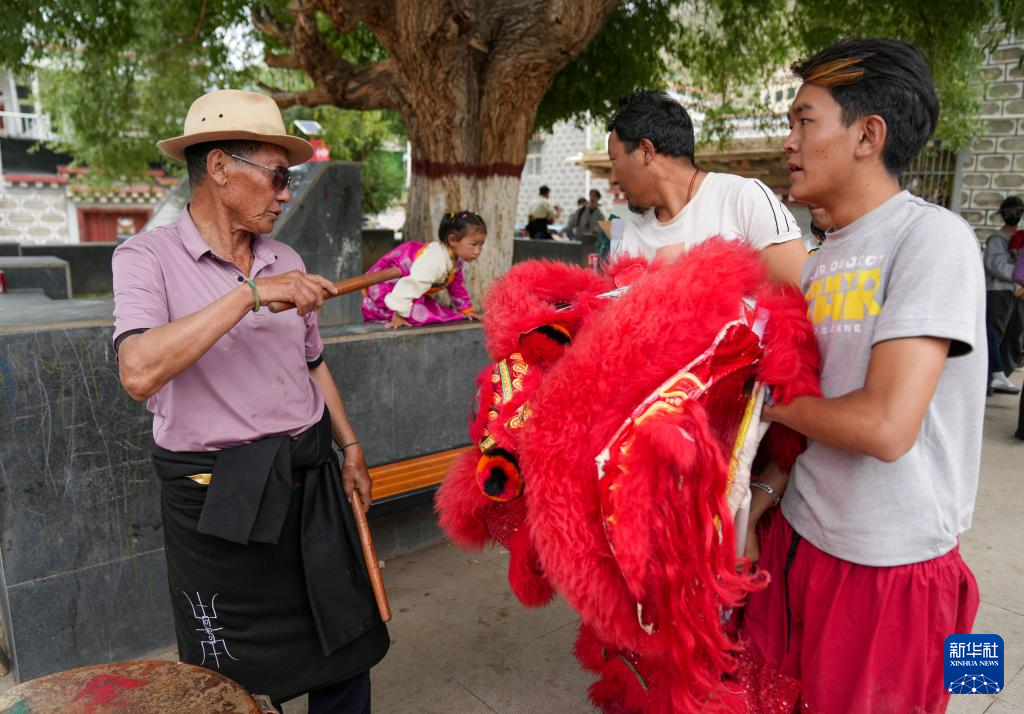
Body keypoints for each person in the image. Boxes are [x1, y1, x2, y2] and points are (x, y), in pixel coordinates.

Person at [112, 89, 389, 712]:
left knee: (346, 648)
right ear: (218, 167)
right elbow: (138, 370)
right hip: (219, 499)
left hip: (309, 483)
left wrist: (350, 446)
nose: (286, 193)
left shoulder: (283, 255)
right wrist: (250, 295)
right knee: (227, 684)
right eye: (277, 175)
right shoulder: (146, 257)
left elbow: (312, 361)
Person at [742, 39, 984, 714]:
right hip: (799, 538)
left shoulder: (932, 240)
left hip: (890, 567)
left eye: (804, 121)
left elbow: (883, 427)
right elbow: (815, 414)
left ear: (867, 136)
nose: (789, 141)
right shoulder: (819, 262)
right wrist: (764, 494)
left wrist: (764, 401)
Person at [606, 90, 808, 286]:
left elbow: (802, 297)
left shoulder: (744, 199)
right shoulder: (631, 236)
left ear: (645, 151)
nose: (613, 179)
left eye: (614, 161)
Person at [361, 211, 486, 328]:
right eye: (473, 244)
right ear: (452, 240)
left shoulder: (455, 259)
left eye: (481, 244)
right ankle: (393, 312)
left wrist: (467, 310)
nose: (478, 251)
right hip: (389, 290)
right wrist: (398, 315)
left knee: (444, 315)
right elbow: (411, 284)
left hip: (407, 291)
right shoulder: (435, 260)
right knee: (418, 316)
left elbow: (456, 285)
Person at [984, 196, 1024, 394]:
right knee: (995, 335)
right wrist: (1019, 274)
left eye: (1017, 212)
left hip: (1018, 295)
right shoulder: (996, 239)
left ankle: (1003, 375)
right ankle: (990, 377)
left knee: (1014, 338)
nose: (1013, 215)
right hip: (999, 292)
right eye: (1009, 212)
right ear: (1002, 215)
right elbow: (995, 266)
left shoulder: (1020, 238)